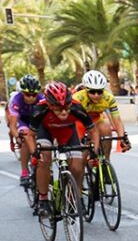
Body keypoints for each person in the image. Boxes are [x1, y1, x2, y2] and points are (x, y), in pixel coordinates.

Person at [30, 82, 101, 217]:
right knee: (44, 159)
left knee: (78, 166)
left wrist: (94, 154)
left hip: (67, 132)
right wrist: (34, 152)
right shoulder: (39, 110)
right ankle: (43, 200)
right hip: (46, 131)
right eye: (57, 107)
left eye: (66, 107)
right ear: (49, 104)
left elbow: (94, 132)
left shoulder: (76, 107)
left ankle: (76, 198)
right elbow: (30, 135)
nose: (63, 111)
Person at [72, 70, 131, 159]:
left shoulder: (109, 98)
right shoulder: (77, 98)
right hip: (79, 122)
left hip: (96, 120)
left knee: (106, 126)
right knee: (83, 156)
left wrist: (122, 138)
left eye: (99, 92)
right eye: (92, 92)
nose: (96, 95)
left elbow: (117, 121)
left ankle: (105, 160)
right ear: (86, 90)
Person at [7, 75, 42, 184]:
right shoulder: (16, 100)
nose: (31, 97)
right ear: (22, 93)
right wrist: (17, 137)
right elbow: (12, 125)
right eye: (27, 94)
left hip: (36, 120)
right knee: (24, 136)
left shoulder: (42, 99)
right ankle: (24, 171)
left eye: (34, 95)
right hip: (23, 121)